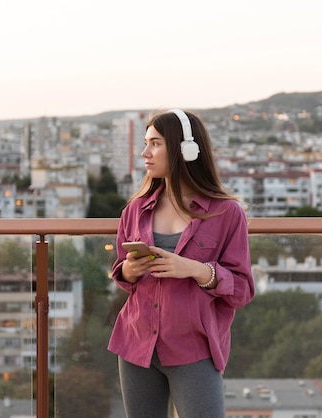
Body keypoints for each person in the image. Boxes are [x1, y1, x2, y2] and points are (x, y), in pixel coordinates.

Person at [107, 109, 255, 418]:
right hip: (136, 346)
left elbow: (241, 290)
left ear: (185, 149)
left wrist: (196, 270)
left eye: (156, 144)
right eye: (146, 143)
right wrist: (129, 271)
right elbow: (121, 272)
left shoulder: (227, 214)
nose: (145, 153)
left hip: (194, 350)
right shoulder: (135, 210)